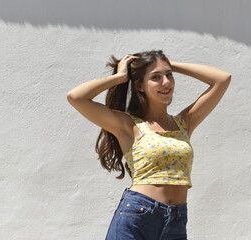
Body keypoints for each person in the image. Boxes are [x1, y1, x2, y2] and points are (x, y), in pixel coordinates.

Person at [67, 50, 231, 239]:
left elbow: (222, 79)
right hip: (138, 216)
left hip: (176, 220)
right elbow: (76, 97)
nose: (166, 82)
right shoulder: (129, 125)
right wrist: (120, 77)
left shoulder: (184, 122)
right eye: (156, 77)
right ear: (140, 86)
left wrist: (171, 64)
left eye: (169, 75)